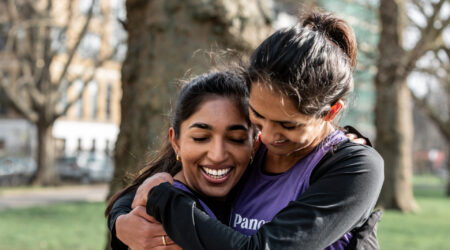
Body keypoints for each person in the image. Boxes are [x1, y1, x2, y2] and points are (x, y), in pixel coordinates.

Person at [111, 10, 384, 250]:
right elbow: (141, 191)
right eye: (258, 116)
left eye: (288, 125)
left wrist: (163, 199)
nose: (268, 136)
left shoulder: (356, 166)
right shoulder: (248, 148)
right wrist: (122, 223)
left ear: (331, 112)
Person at [105, 71, 257, 249]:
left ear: (256, 142)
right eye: (200, 138)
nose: (218, 155)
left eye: (236, 138)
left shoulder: (258, 185)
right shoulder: (157, 224)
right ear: (176, 142)